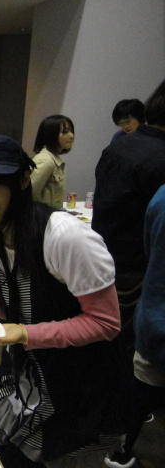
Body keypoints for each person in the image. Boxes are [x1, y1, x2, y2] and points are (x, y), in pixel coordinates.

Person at [0, 135, 125, 467]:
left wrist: (27, 334)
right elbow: (7, 308)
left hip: (76, 381)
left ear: (24, 180)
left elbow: (106, 323)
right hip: (26, 371)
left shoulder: (64, 236)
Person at [93, 78, 165, 363]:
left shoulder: (118, 147)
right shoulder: (159, 158)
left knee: (106, 351)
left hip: (105, 262)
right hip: (138, 277)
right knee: (128, 358)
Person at [103, 184, 165, 468]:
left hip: (154, 314)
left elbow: (148, 249)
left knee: (141, 390)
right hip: (156, 316)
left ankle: (124, 451)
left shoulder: (161, 196)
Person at [30, 114, 75, 209]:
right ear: (51, 135)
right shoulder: (46, 160)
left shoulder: (53, 158)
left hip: (51, 214)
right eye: (65, 132)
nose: (71, 136)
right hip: (42, 216)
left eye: (71, 131)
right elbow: (29, 195)